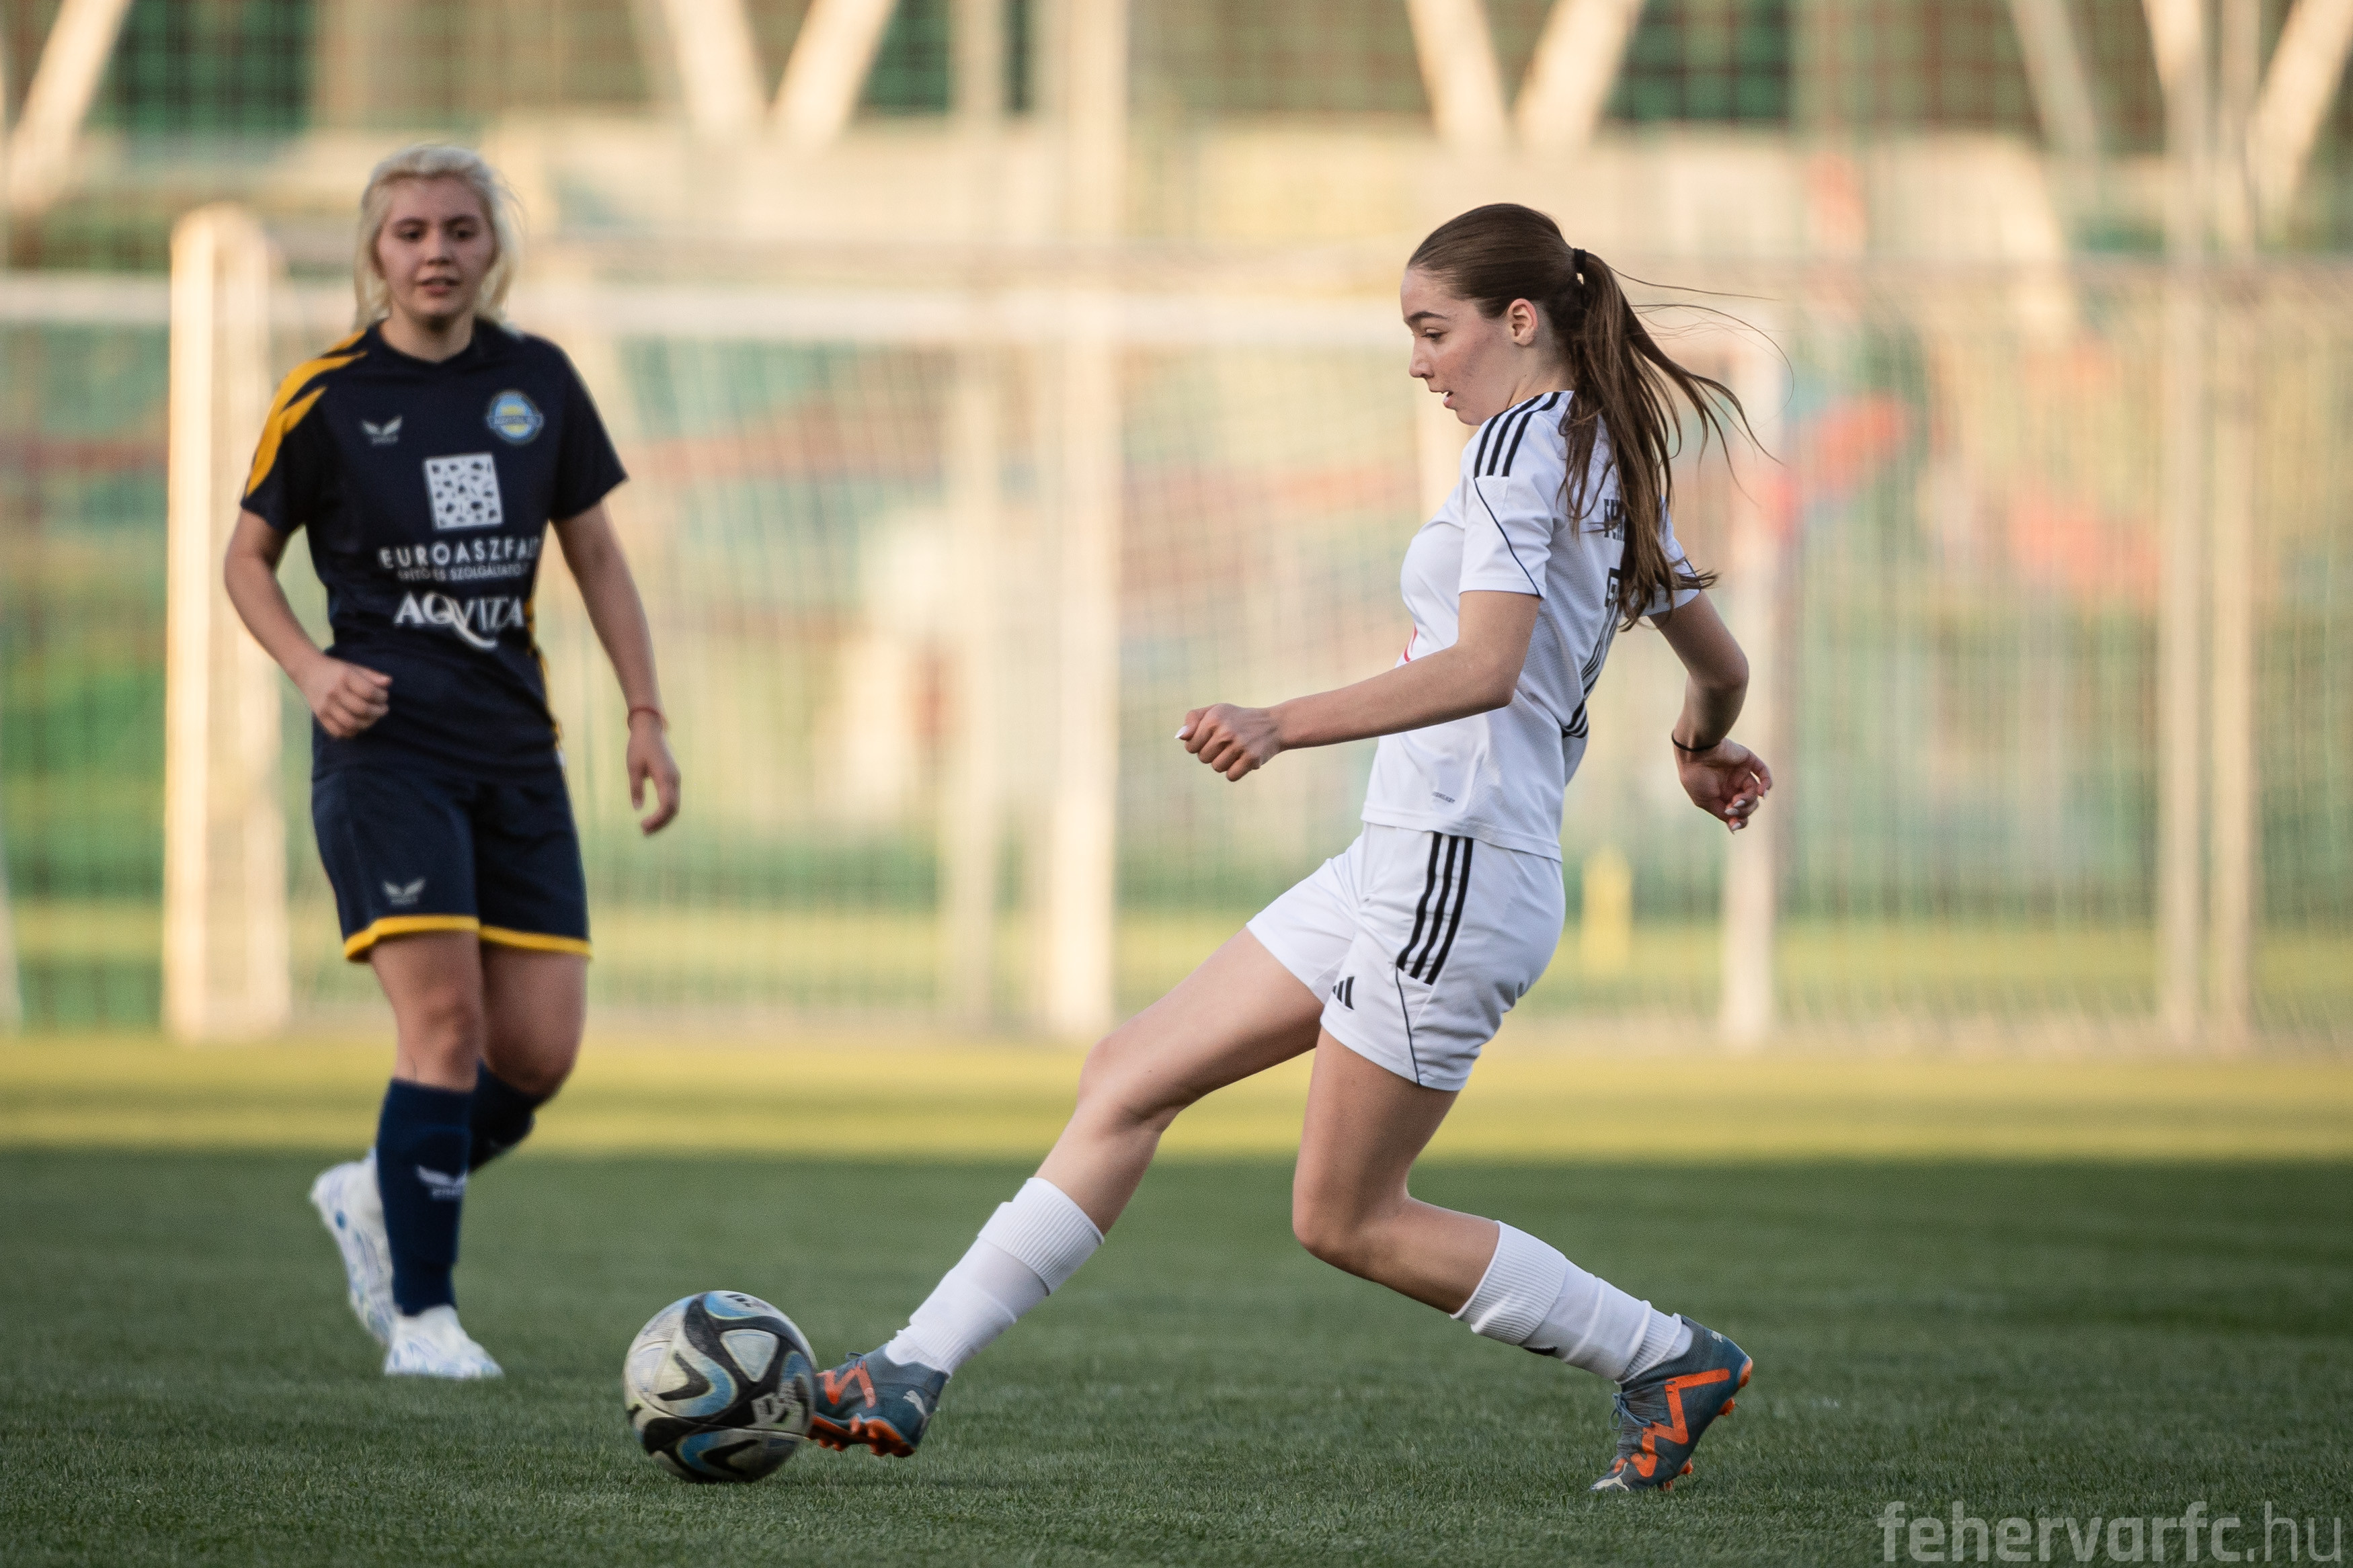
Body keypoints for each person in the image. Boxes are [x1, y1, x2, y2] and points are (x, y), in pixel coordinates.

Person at [803, 203, 1773, 1492]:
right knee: (1129, 1072)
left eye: (1433, 330)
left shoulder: (1515, 453)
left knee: (1346, 1216)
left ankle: (1667, 1356)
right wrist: (1701, 744)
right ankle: (910, 1364)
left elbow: (1484, 667)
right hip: (1411, 857)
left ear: (1517, 320)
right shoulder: (1600, 456)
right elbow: (1722, 665)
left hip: (1455, 868)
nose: (1418, 361)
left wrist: (1279, 722)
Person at [223, 144, 680, 1378]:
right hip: (385, 754)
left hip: (517, 754)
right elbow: (246, 561)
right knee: (442, 1022)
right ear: (375, 252)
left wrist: (644, 710)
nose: (436, 252)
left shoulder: (539, 381)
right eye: (411, 231)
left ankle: (378, 1187)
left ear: (493, 249)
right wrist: (311, 669)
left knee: (536, 1054)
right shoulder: (325, 395)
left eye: (461, 230)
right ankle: (423, 1319)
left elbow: (597, 556)